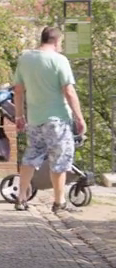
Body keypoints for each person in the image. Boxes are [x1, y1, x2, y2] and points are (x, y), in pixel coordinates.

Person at [13, 25, 87, 213]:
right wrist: (79, 118)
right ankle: (59, 202)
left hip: (34, 118)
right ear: (56, 41)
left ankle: (21, 198)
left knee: (31, 156)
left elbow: (18, 90)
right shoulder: (59, 60)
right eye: (61, 42)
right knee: (60, 159)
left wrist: (19, 115)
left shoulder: (25, 58)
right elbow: (69, 91)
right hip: (58, 119)